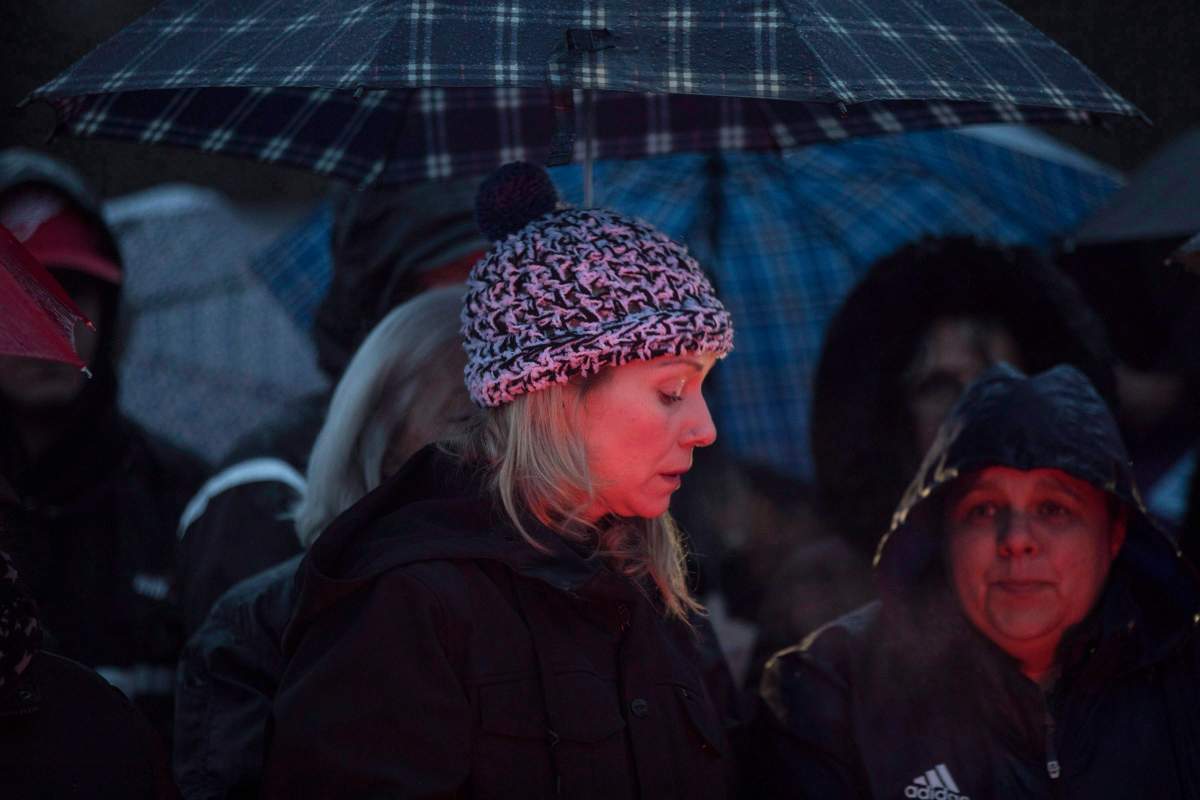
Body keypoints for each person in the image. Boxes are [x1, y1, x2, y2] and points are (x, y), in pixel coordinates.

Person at [263, 162, 740, 799]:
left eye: (702, 388)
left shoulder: (650, 587)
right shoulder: (407, 606)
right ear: (555, 393)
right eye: (672, 390)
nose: (705, 429)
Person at [753, 364, 1200, 799]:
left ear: (1114, 534)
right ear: (941, 533)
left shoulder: (1184, 682)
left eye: (1054, 509)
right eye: (984, 510)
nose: (1017, 540)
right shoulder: (832, 692)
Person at [173, 285, 473, 800]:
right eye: (467, 418)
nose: (504, 444)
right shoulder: (260, 628)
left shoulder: (587, 596)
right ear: (381, 434)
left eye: (519, 414)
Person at [175, 176, 487, 635]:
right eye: (454, 292)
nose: (489, 319)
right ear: (386, 312)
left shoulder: (539, 472)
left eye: (509, 288)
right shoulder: (265, 490)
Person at [0, 149, 207, 741]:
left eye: (70, 294)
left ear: (112, 315)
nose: (49, 328)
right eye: (15, 299)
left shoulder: (187, 499)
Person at [812, 237, 1115, 562]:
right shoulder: (888, 585)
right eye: (940, 389)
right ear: (889, 421)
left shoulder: (1127, 570)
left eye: (1000, 386)